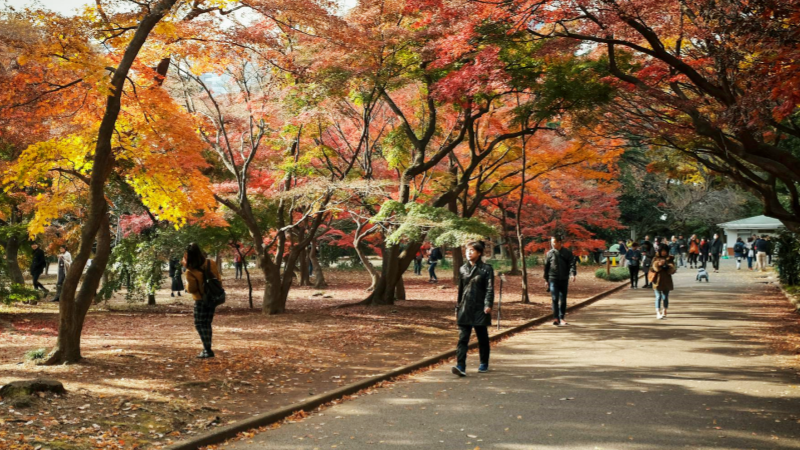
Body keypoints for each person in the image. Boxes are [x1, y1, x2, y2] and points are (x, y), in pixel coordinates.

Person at [452, 241, 494, 377]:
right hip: (465, 307)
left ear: (479, 253)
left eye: (472, 250)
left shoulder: (487, 269)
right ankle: (460, 366)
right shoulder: (463, 269)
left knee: (482, 337)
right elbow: (461, 289)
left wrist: (488, 304)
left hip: (480, 308)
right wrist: (458, 306)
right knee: (463, 338)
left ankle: (483, 362)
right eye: (467, 250)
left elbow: (489, 288)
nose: (468, 253)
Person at [184, 243, 223, 359]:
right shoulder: (211, 263)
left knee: (199, 324)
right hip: (213, 298)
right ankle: (207, 349)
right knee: (207, 323)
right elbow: (218, 279)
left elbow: (192, 289)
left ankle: (207, 349)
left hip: (201, 300)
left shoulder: (190, 271)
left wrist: (187, 285)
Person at [543, 235, 577, 326]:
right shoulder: (549, 253)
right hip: (553, 279)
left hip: (564, 279)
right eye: (551, 242)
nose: (552, 244)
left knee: (563, 299)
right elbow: (546, 267)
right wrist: (546, 279)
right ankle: (556, 318)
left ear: (559, 242)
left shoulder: (567, 252)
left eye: (554, 242)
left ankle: (562, 318)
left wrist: (572, 274)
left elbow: (572, 264)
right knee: (555, 298)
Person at [650, 246, 676, 320]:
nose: (663, 252)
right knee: (658, 297)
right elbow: (651, 268)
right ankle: (658, 312)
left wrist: (669, 267)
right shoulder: (655, 259)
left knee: (665, 297)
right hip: (657, 280)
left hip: (666, 280)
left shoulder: (670, 259)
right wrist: (657, 265)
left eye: (665, 251)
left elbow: (673, 270)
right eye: (662, 251)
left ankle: (664, 309)